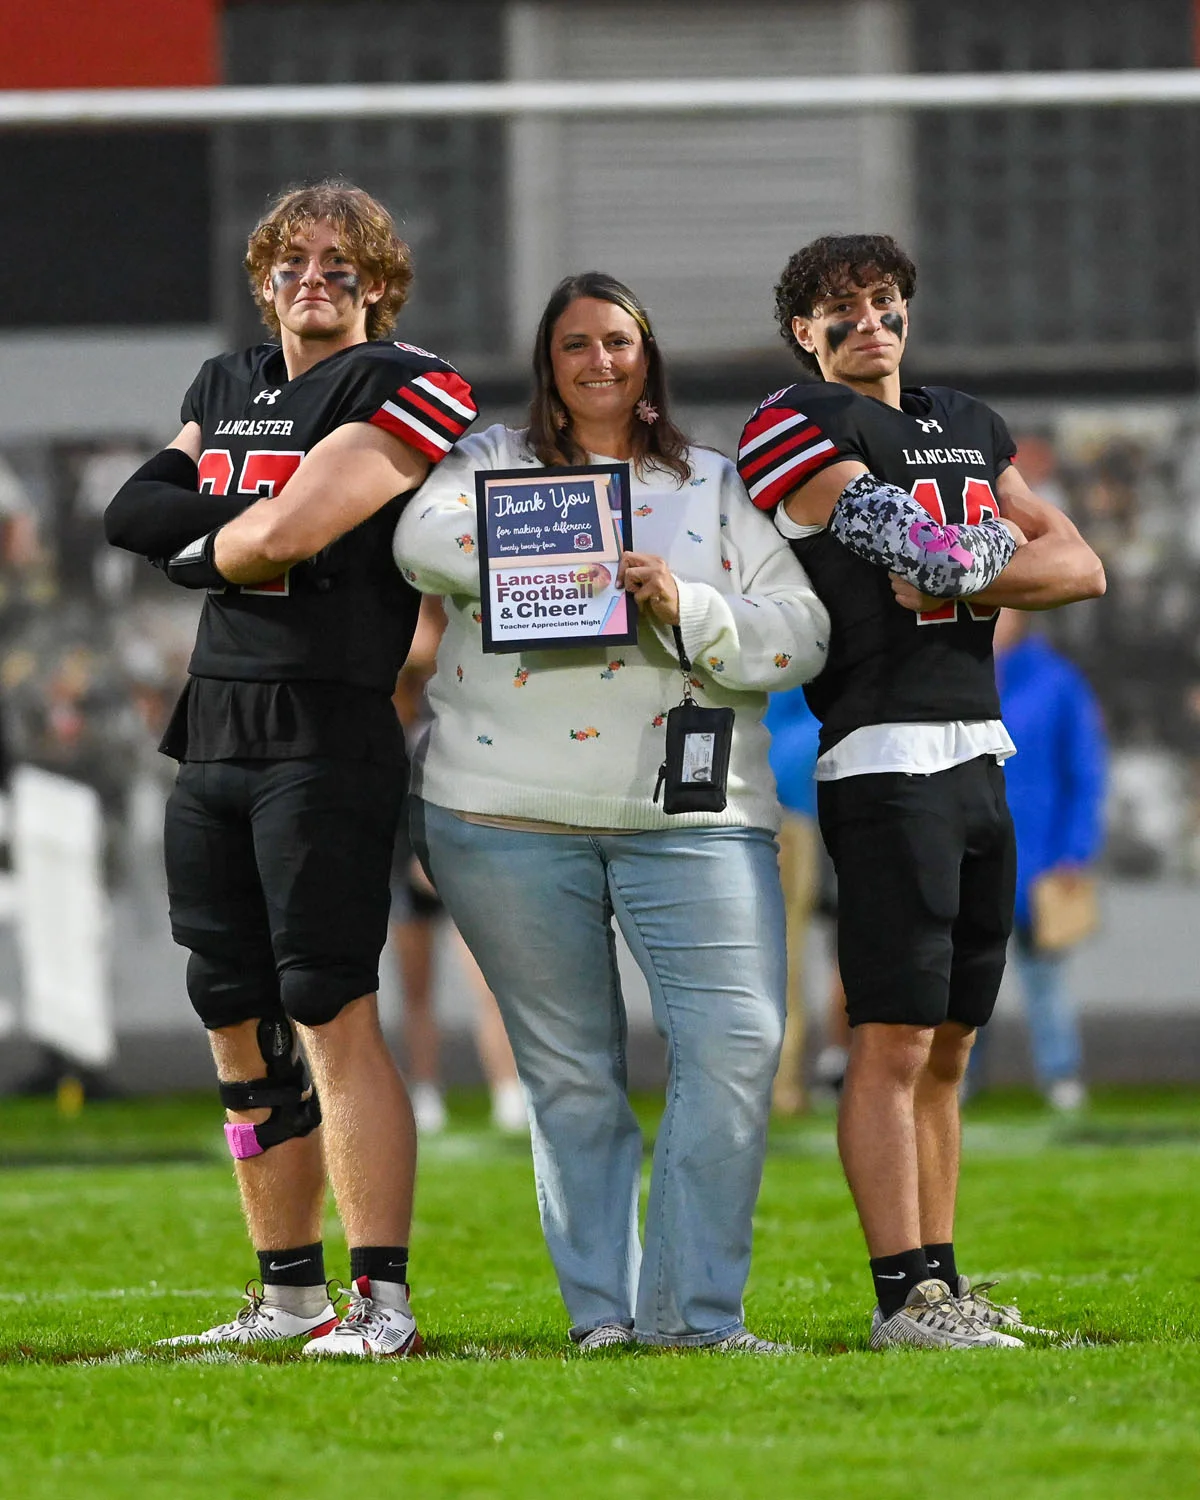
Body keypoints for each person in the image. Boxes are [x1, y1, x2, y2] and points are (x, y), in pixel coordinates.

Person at [394, 271, 830, 1353]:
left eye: (620, 340)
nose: (599, 360)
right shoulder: (486, 463)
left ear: (650, 357)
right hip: (502, 814)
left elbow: (804, 630)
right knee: (570, 1080)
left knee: (737, 1048)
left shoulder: (720, 486)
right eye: (576, 343)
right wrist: (579, 558)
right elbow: (418, 541)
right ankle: (603, 1314)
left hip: (701, 814)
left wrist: (689, 605)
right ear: (548, 361)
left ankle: (692, 1319)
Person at [104, 181, 477, 1356]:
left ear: (380, 281)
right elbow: (132, 506)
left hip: (329, 725)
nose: (314, 279)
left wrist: (211, 538)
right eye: (293, 262)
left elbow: (291, 529)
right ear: (264, 275)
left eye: (340, 263)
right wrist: (226, 540)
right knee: (233, 1011)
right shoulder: (227, 380)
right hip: (212, 723)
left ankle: (385, 1302)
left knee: (329, 1003)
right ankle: (287, 1295)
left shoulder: (412, 380)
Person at [738, 233, 1104, 1350]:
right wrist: (983, 549)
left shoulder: (968, 422)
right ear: (803, 332)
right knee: (891, 1041)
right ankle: (902, 1295)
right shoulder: (790, 420)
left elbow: (1079, 565)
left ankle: (943, 1283)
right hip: (880, 751)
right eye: (841, 309)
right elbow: (922, 553)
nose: (870, 322)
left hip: (977, 749)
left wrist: (963, 549)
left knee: (949, 1045)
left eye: (886, 301)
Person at [389, 598, 526, 1135]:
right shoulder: (395, 695)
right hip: (408, 859)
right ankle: (425, 1091)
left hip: (467, 854)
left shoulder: (466, 672)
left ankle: (508, 1090)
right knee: (417, 988)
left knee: (489, 984)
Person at [967, 608, 1107, 1110]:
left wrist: (1074, 852)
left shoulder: (1057, 682)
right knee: (968, 975)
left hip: (1040, 860)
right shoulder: (956, 674)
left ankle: (1060, 1074)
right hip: (973, 855)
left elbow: (1085, 773)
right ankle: (960, 1077)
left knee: (1045, 978)